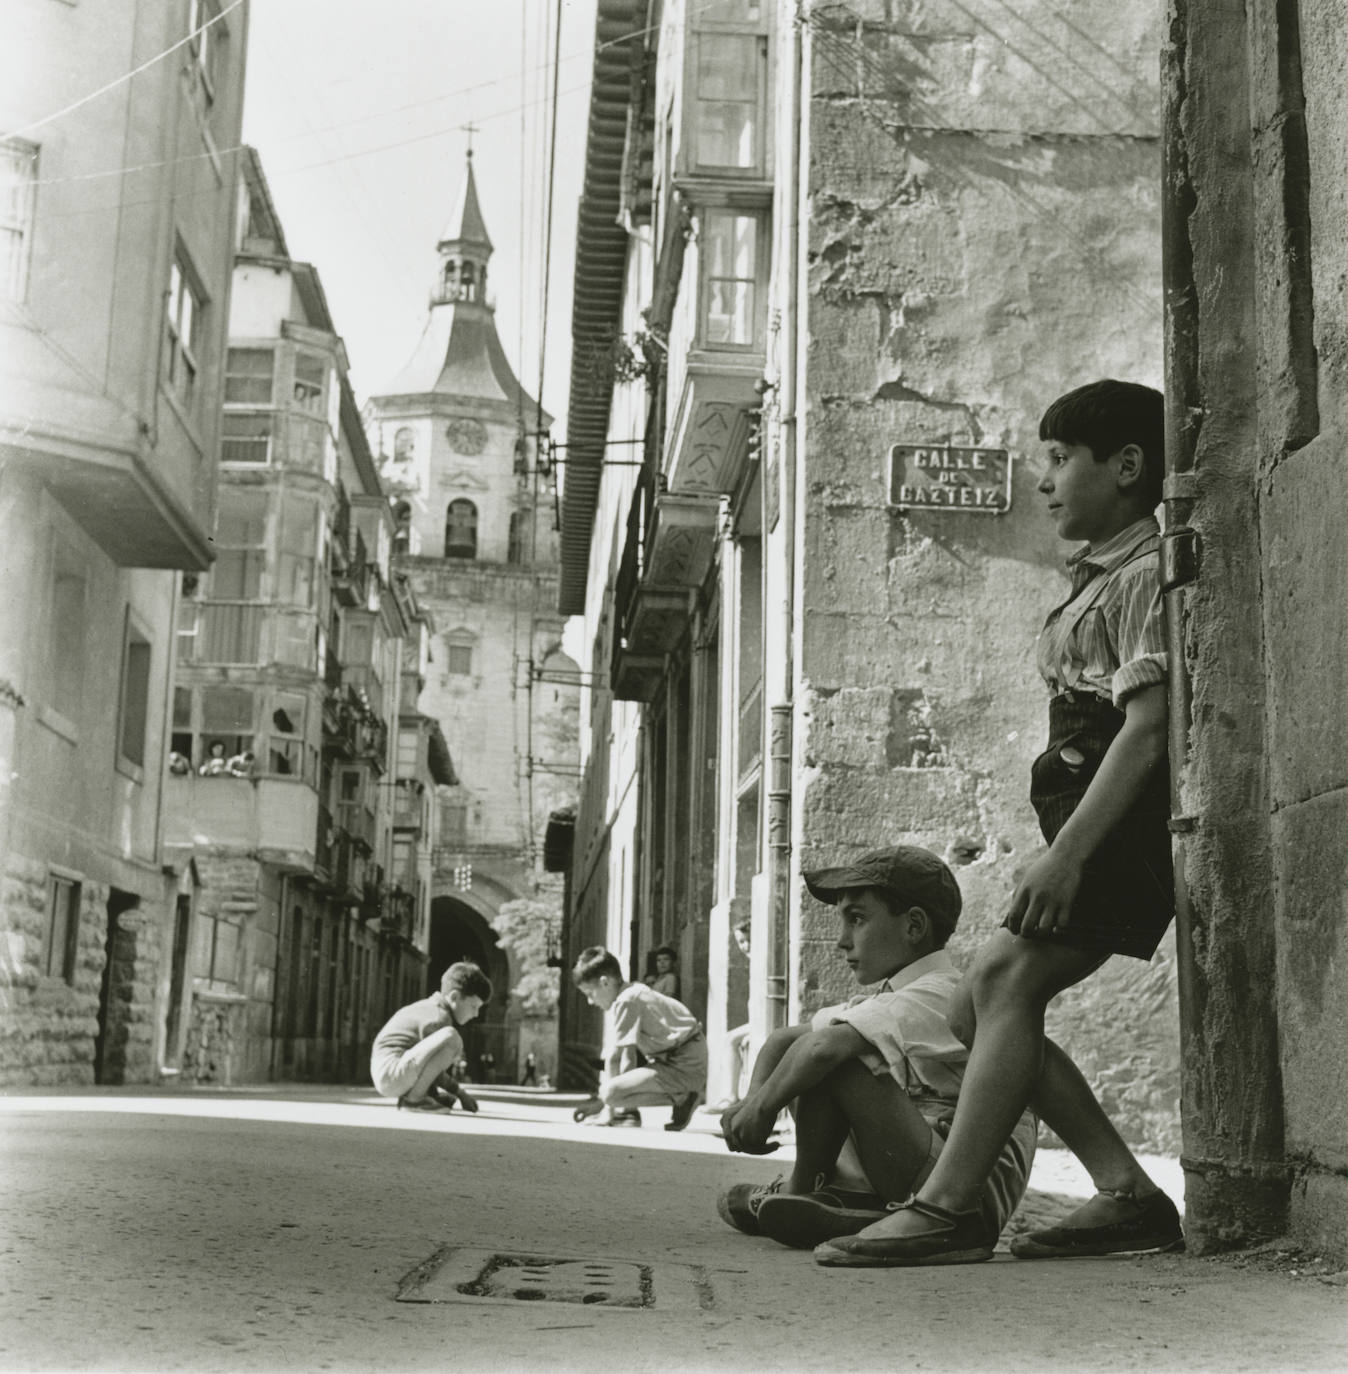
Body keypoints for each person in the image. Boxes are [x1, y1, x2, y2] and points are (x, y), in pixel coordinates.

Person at [818, 379, 1184, 1267]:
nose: (1044, 481)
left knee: (1005, 975)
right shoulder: (1101, 574)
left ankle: (948, 1207)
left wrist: (1068, 855)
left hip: (1121, 830)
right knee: (984, 993)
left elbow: (1146, 729)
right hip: (1091, 823)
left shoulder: (1144, 572)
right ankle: (1126, 1193)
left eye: (1060, 459)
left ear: (1127, 466)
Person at [717, 846, 1036, 1252]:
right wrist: (750, 1103)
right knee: (821, 1048)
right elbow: (784, 1041)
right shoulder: (890, 997)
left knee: (836, 1057)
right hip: (927, 1163)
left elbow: (822, 1049)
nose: (841, 941)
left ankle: (804, 1189)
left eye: (856, 919)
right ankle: (850, 1201)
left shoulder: (944, 992)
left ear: (914, 926)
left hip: (966, 1191)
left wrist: (760, 1111)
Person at [572, 946, 706, 1132]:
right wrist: (604, 1103)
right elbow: (627, 1057)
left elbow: (619, 1057)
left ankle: (683, 1098)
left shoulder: (626, 1001)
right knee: (611, 1094)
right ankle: (682, 1098)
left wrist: (608, 1109)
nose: (590, 1001)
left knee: (610, 1093)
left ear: (605, 982)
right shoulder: (631, 992)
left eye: (589, 993)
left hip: (684, 1063)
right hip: (684, 1058)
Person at [369, 961, 488, 1114]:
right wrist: (458, 1091)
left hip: (389, 1073)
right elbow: (433, 1068)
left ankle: (423, 1095)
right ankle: (413, 1100)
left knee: (448, 1037)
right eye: (473, 1006)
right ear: (455, 997)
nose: (476, 1014)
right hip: (392, 1074)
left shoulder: (429, 1007)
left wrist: (439, 1094)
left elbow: (426, 1063)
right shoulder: (440, 1017)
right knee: (452, 1038)